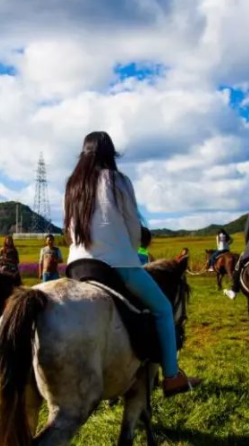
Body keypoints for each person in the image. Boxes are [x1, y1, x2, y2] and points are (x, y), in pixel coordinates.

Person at [64, 131, 200, 397]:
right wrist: (128, 244)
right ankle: (172, 376)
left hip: (77, 266)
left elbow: (68, 230)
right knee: (161, 307)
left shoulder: (72, 184)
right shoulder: (118, 181)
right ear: (110, 154)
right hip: (116, 265)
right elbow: (133, 228)